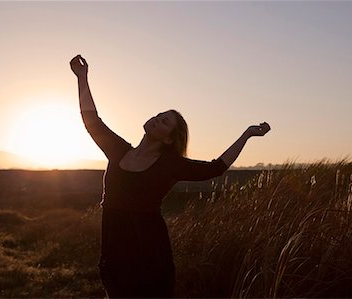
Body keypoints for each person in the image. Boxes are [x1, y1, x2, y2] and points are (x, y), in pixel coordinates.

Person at [70, 54, 271, 298]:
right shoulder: (117, 150)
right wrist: (82, 78)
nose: (156, 119)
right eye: (159, 114)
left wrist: (247, 135)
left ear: (168, 138)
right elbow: (92, 121)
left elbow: (216, 168)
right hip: (113, 256)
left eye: (164, 121)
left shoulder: (170, 165)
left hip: (150, 260)